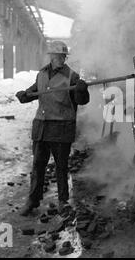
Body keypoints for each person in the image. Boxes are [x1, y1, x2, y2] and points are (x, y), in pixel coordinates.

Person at [15, 41, 90, 216]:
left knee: (61, 167)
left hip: (61, 128)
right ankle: (33, 201)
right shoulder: (41, 74)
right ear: (52, 56)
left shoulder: (72, 77)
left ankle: (63, 201)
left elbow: (82, 101)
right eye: (58, 56)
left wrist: (82, 90)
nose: (61, 59)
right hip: (41, 127)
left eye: (63, 56)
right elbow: (34, 93)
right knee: (37, 166)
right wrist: (23, 96)